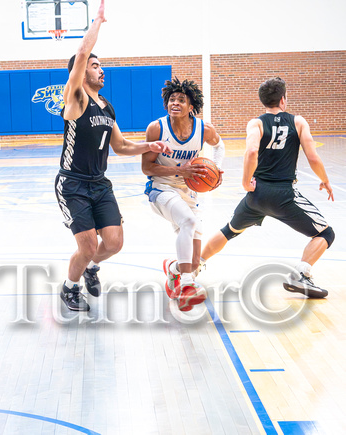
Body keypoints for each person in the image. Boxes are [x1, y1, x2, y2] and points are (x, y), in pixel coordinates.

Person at [56, 0, 172, 312]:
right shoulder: (76, 98)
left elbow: (120, 147)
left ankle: (90, 267)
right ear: (80, 73)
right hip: (73, 184)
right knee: (89, 244)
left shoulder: (106, 106)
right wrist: (97, 21)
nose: (100, 69)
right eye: (95, 66)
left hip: (99, 183)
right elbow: (81, 54)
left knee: (115, 242)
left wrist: (151, 147)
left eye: (100, 65)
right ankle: (69, 287)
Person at [199, 77, 334, 298]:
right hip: (284, 196)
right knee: (325, 233)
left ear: (263, 101)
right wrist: (325, 180)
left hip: (257, 194)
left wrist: (245, 181)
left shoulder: (256, 123)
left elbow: (251, 152)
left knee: (229, 231)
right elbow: (313, 156)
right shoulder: (298, 121)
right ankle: (301, 274)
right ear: (283, 100)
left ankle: (193, 267)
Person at [142, 78, 225, 311]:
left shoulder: (203, 129)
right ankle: (187, 285)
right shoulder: (156, 128)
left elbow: (220, 146)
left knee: (194, 261)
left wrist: (216, 170)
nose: (175, 103)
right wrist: (181, 170)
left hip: (187, 192)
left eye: (181, 100)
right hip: (161, 189)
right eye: (171, 99)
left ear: (191, 107)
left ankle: (174, 269)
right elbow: (147, 168)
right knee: (188, 221)